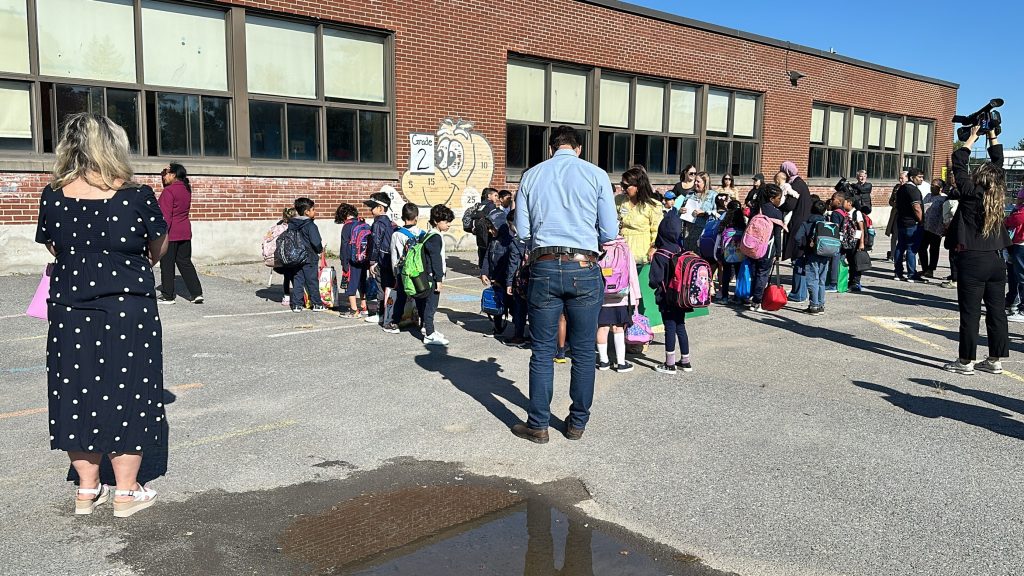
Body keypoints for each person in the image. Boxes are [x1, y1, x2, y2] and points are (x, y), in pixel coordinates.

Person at [35, 112, 169, 517]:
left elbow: (54, 247)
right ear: (114, 147)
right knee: (130, 388)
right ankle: (125, 493)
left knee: (74, 389)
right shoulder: (137, 195)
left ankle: (86, 490)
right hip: (128, 306)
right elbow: (158, 246)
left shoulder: (52, 195)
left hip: (70, 306)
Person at [513, 125, 618, 444]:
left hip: (544, 265)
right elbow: (610, 231)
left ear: (550, 148)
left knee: (542, 350)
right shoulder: (596, 174)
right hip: (584, 265)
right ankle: (577, 424)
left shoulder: (531, 175)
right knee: (585, 350)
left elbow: (521, 231)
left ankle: (539, 424)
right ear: (579, 148)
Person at [942, 125, 1009, 374]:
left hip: (972, 260)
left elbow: (959, 163)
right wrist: (992, 135)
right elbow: (998, 163)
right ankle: (994, 360)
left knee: (970, 314)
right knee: (997, 312)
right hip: (996, 260)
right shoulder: (997, 194)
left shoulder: (970, 193)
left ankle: (965, 361)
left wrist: (972, 137)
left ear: (979, 178)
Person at [649, 215, 692, 374]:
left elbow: (655, 280)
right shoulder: (681, 250)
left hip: (666, 297)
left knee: (669, 327)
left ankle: (669, 363)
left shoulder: (660, 254)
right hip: (681, 297)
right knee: (680, 326)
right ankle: (686, 361)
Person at [156, 163, 203, 304]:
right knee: (185, 262)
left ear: (173, 174)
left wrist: (160, 235)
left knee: (167, 264)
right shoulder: (186, 189)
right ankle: (196, 293)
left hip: (171, 233)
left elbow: (165, 216)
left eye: (166, 173)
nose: (164, 176)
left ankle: (168, 295)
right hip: (184, 231)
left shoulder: (169, 192)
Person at [596, 236, 641, 372]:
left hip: (601, 294)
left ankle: (604, 361)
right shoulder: (624, 247)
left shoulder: (597, 245)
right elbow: (632, 273)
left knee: (602, 327)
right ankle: (621, 363)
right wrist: (636, 295)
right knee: (618, 327)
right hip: (621, 294)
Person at [382, 203, 423, 334]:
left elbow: (395, 256)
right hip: (419, 271)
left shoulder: (397, 234)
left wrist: (395, 273)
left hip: (404, 271)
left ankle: (394, 322)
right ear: (416, 217)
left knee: (401, 297)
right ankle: (423, 322)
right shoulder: (422, 233)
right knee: (420, 296)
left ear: (402, 216)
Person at [418, 204, 454, 346]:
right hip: (432, 277)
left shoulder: (428, 235)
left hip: (427, 276)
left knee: (427, 304)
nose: (448, 224)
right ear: (436, 221)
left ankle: (427, 328)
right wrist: (439, 279)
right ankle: (429, 334)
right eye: (445, 222)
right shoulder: (435, 237)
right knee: (431, 306)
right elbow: (436, 260)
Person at [616, 166, 663, 269]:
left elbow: (657, 230)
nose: (622, 188)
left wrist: (654, 247)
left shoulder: (653, 206)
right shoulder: (618, 201)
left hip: (642, 256)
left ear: (637, 187)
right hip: (621, 253)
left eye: (625, 185)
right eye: (621, 184)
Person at [749, 184, 785, 312]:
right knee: (762, 274)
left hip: (752, 246)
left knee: (754, 272)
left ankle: (751, 295)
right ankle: (757, 302)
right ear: (771, 199)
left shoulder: (757, 208)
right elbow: (777, 234)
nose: (780, 200)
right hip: (768, 247)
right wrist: (779, 252)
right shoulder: (776, 212)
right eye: (779, 198)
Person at [285, 197, 325, 312]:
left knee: (298, 280)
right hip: (309, 257)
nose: (315, 211)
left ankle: (297, 304)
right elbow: (316, 241)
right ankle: (317, 303)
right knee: (312, 280)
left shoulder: (292, 224)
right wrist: (320, 250)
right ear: (307, 211)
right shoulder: (310, 225)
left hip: (296, 257)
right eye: (313, 209)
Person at [793, 199, 829, 315]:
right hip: (826, 253)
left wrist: (803, 247)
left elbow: (797, 237)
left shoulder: (806, 223)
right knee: (822, 280)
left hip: (811, 254)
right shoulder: (827, 222)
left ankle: (814, 305)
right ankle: (821, 304)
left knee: (813, 280)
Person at [481, 209, 514, 336]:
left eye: (492, 228)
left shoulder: (508, 242)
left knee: (511, 306)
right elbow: (486, 257)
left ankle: (519, 331)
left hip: (505, 280)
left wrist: (500, 279)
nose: (490, 231)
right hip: (495, 280)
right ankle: (497, 327)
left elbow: (507, 263)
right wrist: (484, 272)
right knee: (496, 304)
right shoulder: (493, 241)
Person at [365, 192, 393, 325]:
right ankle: (387, 312)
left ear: (381, 208)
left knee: (380, 286)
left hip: (380, 261)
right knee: (387, 285)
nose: (370, 210)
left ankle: (380, 314)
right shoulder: (389, 223)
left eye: (373, 207)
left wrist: (372, 262)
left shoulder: (378, 224)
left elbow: (376, 244)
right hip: (389, 260)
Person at [504, 208, 530, 347]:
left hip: (521, 280)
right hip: (537, 277)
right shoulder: (535, 237)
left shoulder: (516, 242)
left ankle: (518, 335)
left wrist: (509, 283)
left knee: (519, 309)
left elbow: (513, 264)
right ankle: (534, 335)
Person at [335, 203, 367, 318]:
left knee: (351, 283)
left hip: (352, 259)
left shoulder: (347, 226)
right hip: (363, 258)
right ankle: (364, 306)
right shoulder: (362, 223)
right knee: (362, 281)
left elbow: (344, 246)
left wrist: (344, 262)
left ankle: (354, 310)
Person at [894, 168, 926, 282]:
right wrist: (921, 221)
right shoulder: (913, 190)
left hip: (902, 222)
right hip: (912, 223)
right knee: (911, 249)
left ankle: (898, 273)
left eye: (922, 177)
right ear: (912, 178)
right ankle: (912, 274)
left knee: (900, 247)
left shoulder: (901, 188)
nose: (922, 179)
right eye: (919, 177)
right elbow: (916, 207)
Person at [715, 200, 747, 303]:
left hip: (727, 253)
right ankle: (738, 296)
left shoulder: (725, 224)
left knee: (726, 273)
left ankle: (725, 296)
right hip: (740, 253)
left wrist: (717, 254)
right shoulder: (742, 225)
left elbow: (719, 240)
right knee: (739, 273)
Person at [779, 161, 811, 263]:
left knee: (796, 250)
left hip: (798, 221)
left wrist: (778, 207)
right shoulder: (799, 182)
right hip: (801, 219)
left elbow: (790, 204)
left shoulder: (796, 184)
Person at [675, 171, 715, 252]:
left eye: (698, 181)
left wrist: (705, 212)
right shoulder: (689, 194)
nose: (695, 183)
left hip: (703, 233)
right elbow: (678, 211)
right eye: (695, 181)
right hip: (688, 233)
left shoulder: (713, 195)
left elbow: (716, 213)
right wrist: (680, 211)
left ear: (705, 183)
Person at [919, 178, 948, 279]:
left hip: (936, 228)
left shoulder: (943, 198)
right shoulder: (928, 196)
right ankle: (924, 268)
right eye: (931, 185)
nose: (932, 187)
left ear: (940, 188)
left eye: (934, 186)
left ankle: (931, 269)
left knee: (934, 249)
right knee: (921, 247)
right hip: (925, 226)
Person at [1004, 189, 1024, 322]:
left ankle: (1022, 309)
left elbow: (1016, 219)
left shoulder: (1020, 211)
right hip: (1014, 243)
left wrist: (1007, 219)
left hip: (1021, 244)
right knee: (1013, 274)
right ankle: (1012, 300)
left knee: (1021, 276)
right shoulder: (1018, 208)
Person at [276, 207, 298, 307]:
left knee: (286, 277)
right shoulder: (293, 227)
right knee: (295, 276)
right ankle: (297, 296)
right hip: (293, 256)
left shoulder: (279, 226)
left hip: (282, 256)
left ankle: (286, 296)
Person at [473, 188, 500, 267]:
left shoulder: (481, 205)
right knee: (489, 250)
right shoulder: (491, 205)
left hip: (479, 230)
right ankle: (487, 270)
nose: (497, 198)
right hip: (487, 231)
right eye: (495, 195)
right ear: (489, 196)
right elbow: (493, 218)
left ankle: (481, 268)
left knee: (481, 249)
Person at [885, 171, 908, 262]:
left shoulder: (909, 188)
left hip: (905, 215)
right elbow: (891, 201)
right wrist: (896, 205)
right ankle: (892, 254)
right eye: (900, 178)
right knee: (894, 235)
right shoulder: (897, 187)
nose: (900, 180)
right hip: (896, 213)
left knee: (904, 236)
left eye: (902, 178)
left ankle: (902, 254)